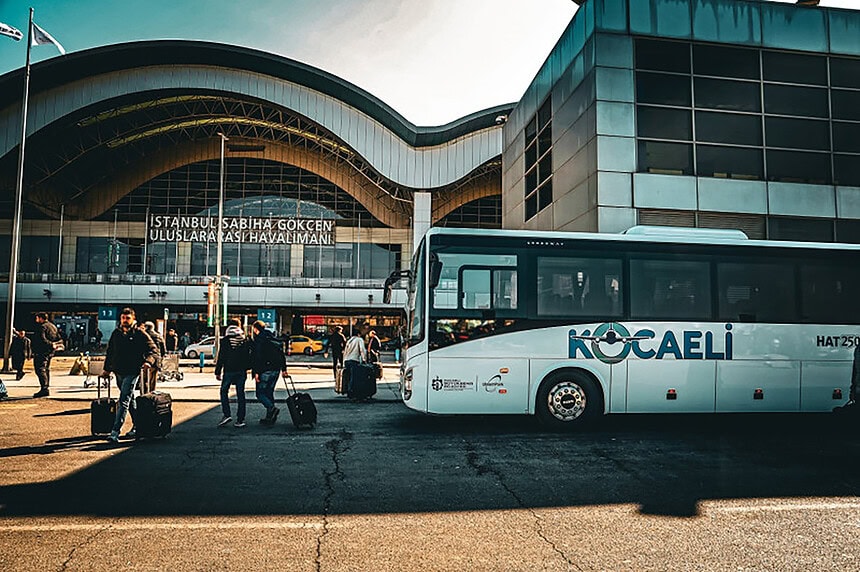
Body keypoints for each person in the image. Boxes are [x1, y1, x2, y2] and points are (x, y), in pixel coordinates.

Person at [100, 307, 158, 444]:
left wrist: (148, 361)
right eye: (123, 318)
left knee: (123, 400)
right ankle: (139, 426)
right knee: (130, 400)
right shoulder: (116, 333)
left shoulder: (139, 333)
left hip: (132, 371)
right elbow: (110, 352)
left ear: (133, 319)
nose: (125, 320)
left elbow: (153, 349)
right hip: (118, 371)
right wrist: (106, 370)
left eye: (127, 318)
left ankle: (115, 432)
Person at [214, 318, 251, 428]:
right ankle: (240, 419)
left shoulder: (225, 340)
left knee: (224, 391)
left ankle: (227, 414)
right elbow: (248, 355)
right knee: (240, 394)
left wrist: (218, 371)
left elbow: (221, 356)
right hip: (241, 370)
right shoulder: (244, 339)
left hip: (229, 370)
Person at [251, 320, 288, 425]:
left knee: (260, 394)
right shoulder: (273, 338)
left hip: (264, 370)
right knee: (269, 392)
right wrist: (284, 369)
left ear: (255, 329)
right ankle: (270, 417)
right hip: (276, 370)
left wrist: (256, 372)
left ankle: (271, 408)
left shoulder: (259, 340)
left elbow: (257, 357)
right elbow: (281, 355)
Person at [31, 312, 61, 398]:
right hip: (50, 351)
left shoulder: (42, 327)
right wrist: (55, 345)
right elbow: (58, 337)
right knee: (46, 369)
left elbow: (41, 339)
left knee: (40, 369)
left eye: (37, 318)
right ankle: (46, 387)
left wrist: (51, 344)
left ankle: (44, 388)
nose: (36, 319)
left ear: (41, 318)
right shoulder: (53, 326)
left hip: (41, 351)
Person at [343, 323, 369, 394]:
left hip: (346, 360)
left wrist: (343, 361)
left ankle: (348, 391)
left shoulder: (349, 341)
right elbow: (362, 350)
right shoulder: (359, 340)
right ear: (358, 334)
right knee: (354, 377)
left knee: (348, 376)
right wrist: (364, 359)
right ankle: (352, 391)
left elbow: (345, 352)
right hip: (354, 360)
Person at [141, 321, 166, 392]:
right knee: (153, 378)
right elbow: (163, 349)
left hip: (145, 359)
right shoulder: (158, 336)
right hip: (156, 359)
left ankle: (144, 393)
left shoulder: (143, 335)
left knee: (144, 378)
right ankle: (152, 393)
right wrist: (161, 358)